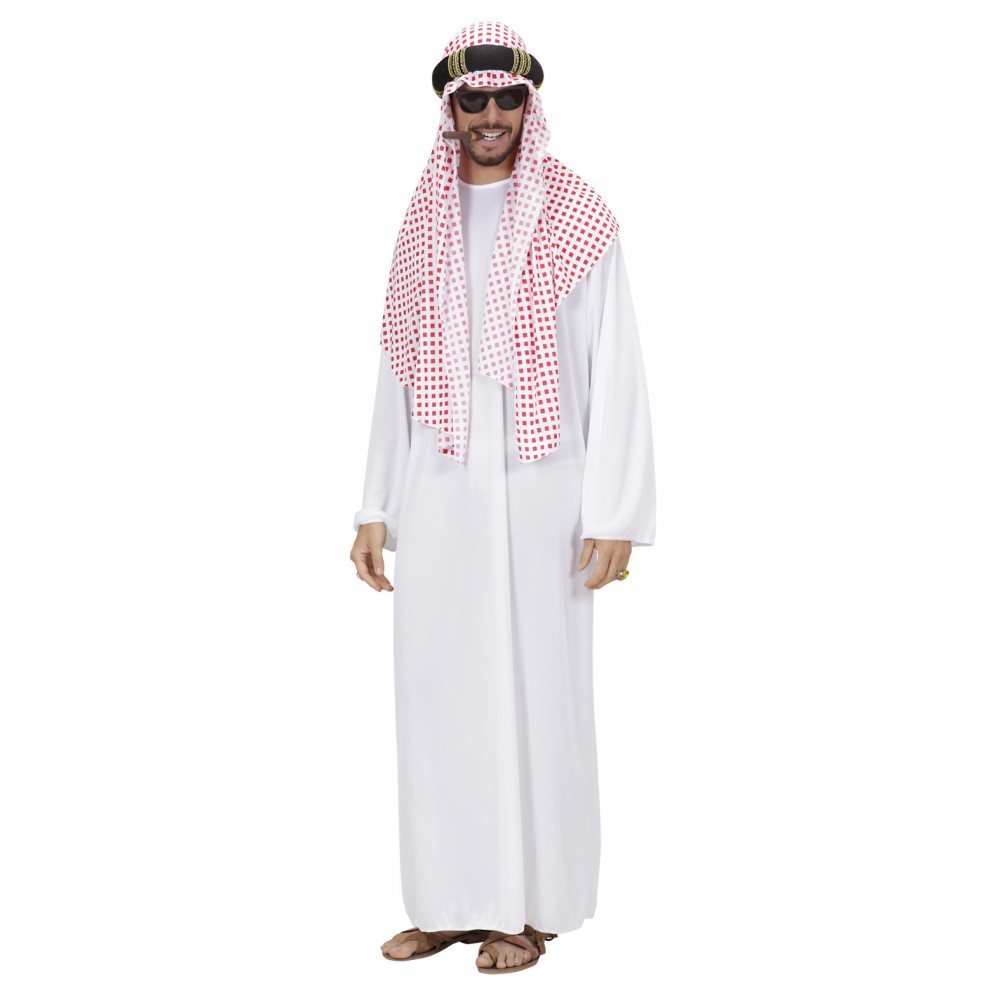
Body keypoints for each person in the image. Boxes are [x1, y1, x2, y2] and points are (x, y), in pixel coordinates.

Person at [350, 21, 656, 974]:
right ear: (451, 109)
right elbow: (399, 370)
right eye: (473, 99)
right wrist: (374, 503)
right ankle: (452, 902)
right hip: (440, 489)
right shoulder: (422, 220)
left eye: (507, 97)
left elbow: (617, 365)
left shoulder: (577, 213)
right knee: (437, 691)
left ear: (530, 103)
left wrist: (616, 512)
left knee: (535, 694)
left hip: (543, 491)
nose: (491, 115)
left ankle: (529, 908)